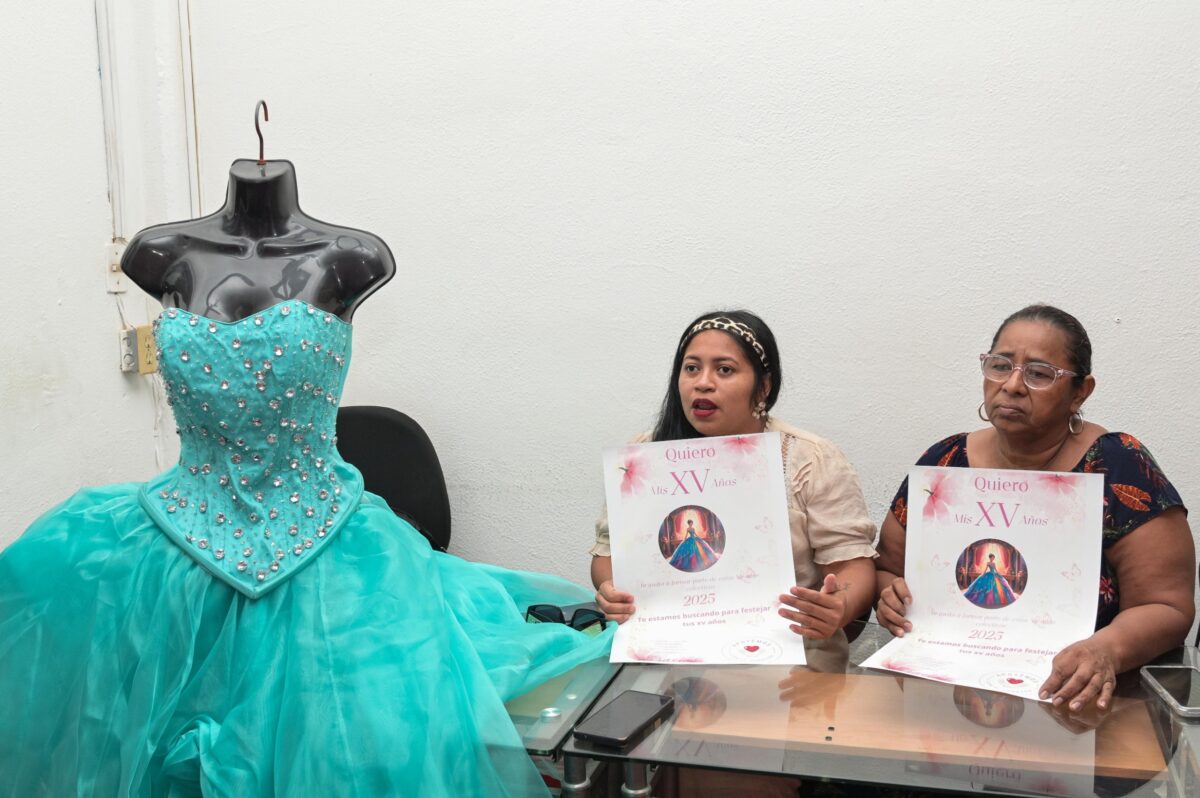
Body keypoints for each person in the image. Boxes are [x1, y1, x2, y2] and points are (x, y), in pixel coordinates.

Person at [0, 160, 610, 797]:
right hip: (169, 550)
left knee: (368, 743)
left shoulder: (354, 257)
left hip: (330, 554)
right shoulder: (157, 252)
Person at [876, 304, 1195, 713]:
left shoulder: (1118, 466)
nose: (1011, 385)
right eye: (1000, 365)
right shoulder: (945, 462)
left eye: (1039, 374)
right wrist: (889, 597)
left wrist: (1106, 649)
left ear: (1080, 391)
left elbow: (1168, 608)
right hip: (949, 695)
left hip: (1081, 705)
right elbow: (887, 568)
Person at [590, 310, 878, 644]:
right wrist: (610, 589)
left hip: (785, 652)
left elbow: (853, 564)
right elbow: (607, 555)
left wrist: (839, 604)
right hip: (666, 648)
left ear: (763, 386)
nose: (703, 382)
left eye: (724, 369)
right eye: (691, 368)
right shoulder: (643, 457)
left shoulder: (809, 459)